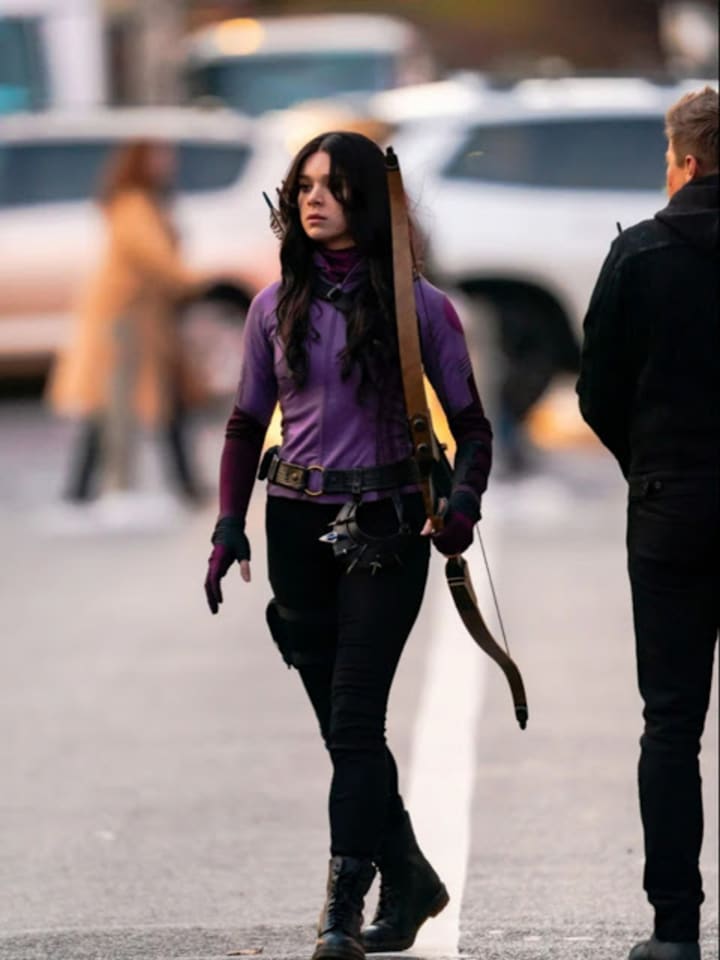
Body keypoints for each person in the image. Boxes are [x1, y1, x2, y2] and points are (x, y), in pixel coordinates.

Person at [204, 131, 492, 960]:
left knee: (358, 722)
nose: (314, 199)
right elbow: (244, 424)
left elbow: (473, 428)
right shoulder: (272, 306)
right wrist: (228, 524)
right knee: (344, 733)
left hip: (387, 527)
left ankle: (340, 910)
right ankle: (411, 880)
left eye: (331, 186)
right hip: (293, 525)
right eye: (303, 186)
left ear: (367, 200)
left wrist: (462, 505)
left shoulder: (421, 308)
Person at [577, 87, 718, 960]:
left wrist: (649, 465)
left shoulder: (639, 253)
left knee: (671, 723)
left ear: (688, 162)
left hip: (673, 505)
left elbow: (597, 390)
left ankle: (675, 928)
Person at [48, 139, 208, 504]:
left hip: (148, 318)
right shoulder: (133, 204)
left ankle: (182, 484)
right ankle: (87, 488)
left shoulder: (149, 202)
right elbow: (155, 258)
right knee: (115, 403)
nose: (167, 164)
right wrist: (194, 284)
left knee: (160, 402)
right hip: (126, 318)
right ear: (139, 160)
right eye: (158, 156)